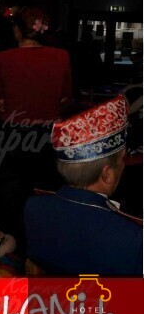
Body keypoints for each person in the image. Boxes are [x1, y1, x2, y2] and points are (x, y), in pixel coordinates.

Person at [24, 95, 143, 275]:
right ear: (107, 174)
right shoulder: (132, 235)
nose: (124, 165)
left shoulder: (33, 207)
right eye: (121, 159)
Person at [0, 8, 73, 246]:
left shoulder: (2, 58)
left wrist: (15, 118)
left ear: (17, 30)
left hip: (14, 136)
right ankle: (43, 247)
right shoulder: (62, 56)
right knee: (47, 193)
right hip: (49, 135)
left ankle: (12, 247)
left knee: (10, 197)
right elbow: (66, 98)